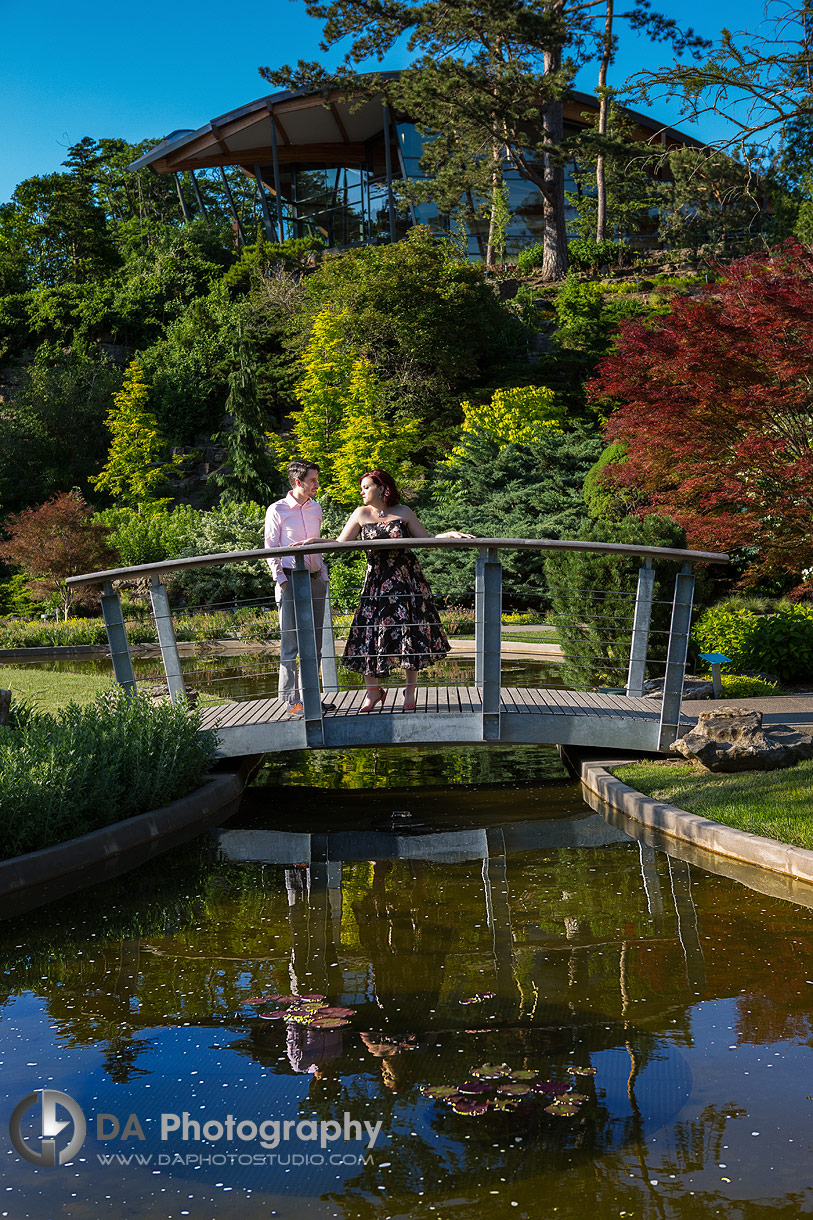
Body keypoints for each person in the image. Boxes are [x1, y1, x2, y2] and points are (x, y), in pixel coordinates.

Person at [337, 469, 472, 711]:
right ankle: (372, 693)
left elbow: (426, 539)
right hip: (377, 583)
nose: (362, 491)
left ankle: (410, 694)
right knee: (370, 632)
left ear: (381, 487)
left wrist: (447, 535)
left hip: (406, 580)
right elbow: (339, 545)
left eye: (366, 487)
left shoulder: (404, 511)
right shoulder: (361, 513)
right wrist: (313, 542)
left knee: (410, 633)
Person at [264, 459, 330, 718]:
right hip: (290, 581)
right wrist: (281, 580)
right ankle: (291, 702)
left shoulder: (316, 508)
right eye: (313, 480)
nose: (317, 484)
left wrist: (322, 574)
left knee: (315, 646)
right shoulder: (277, 509)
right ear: (298, 482)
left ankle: (310, 698)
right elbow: (270, 549)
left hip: (315, 581)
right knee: (291, 645)